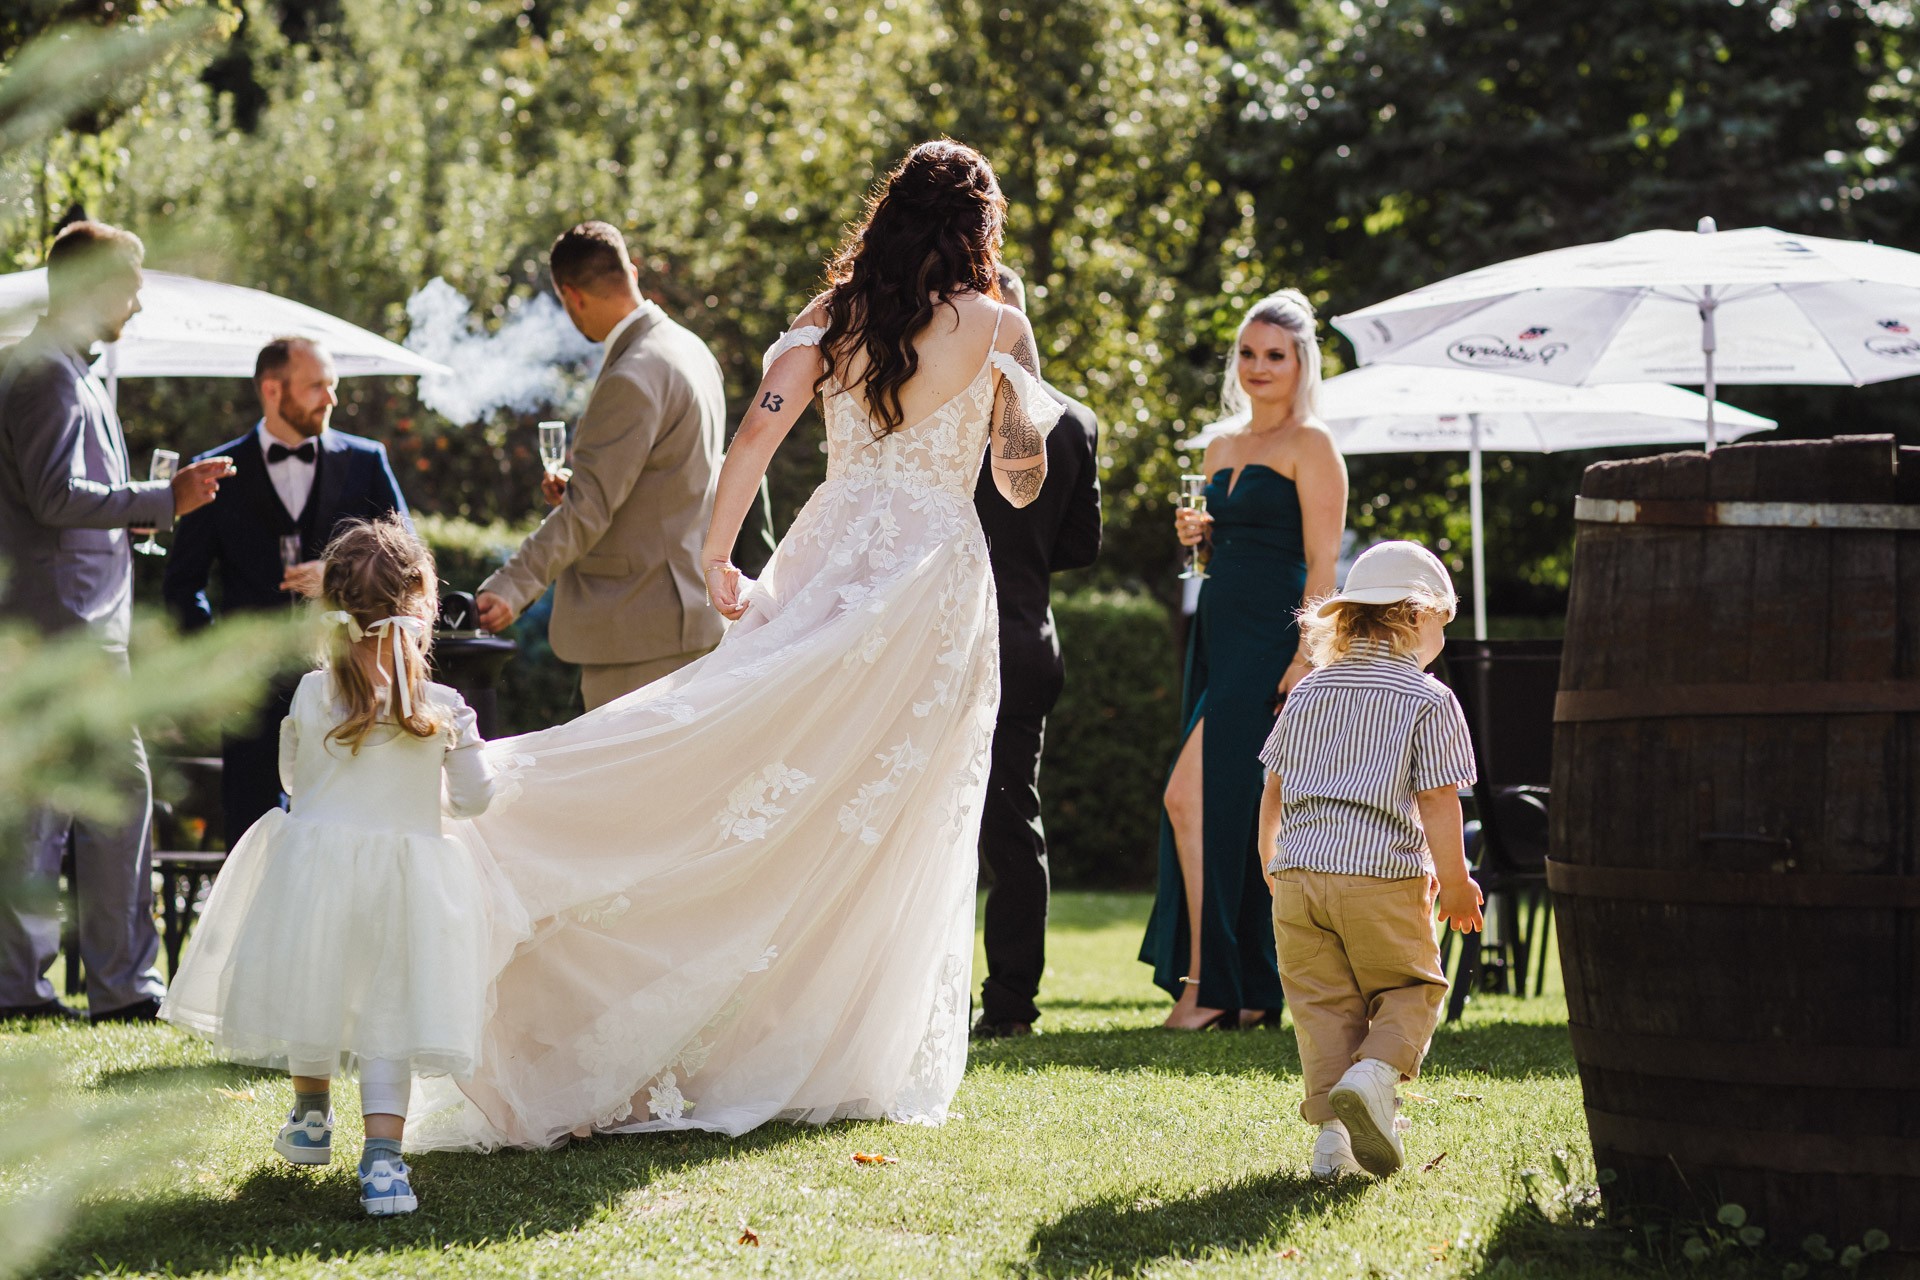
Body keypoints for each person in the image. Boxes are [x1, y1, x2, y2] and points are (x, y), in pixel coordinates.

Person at [406, 140, 1058, 1152]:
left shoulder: (831, 320)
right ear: (979, 226)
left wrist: (717, 557)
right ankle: (844, 1053)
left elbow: (752, 442)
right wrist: (1021, 393)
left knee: (761, 751)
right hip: (935, 577)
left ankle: (745, 1011)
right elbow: (1021, 479)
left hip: (834, 549)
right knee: (897, 815)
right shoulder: (1001, 324)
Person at [162, 516, 508, 1216]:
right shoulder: (444, 709)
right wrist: (461, 750)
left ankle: (312, 1114)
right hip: (407, 883)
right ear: (422, 611)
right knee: (390, 1015)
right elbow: (473, 802)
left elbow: (293, 776)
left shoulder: (311, 695)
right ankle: (383, 1161)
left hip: (316, 868)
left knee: (311, 984)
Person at [0, 220, 231, 1024]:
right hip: (59, 630)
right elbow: (55, 497)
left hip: (79, 627)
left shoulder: (71, 371)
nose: (137, 300)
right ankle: (64, 988)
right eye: (130, 283)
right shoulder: (45, 376)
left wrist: (133, 515)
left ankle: (110, 986)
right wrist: (167, 499)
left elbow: (62, 500)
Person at [1140, 289, 1348, 1030]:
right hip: (1217, 636)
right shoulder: (1220, 446)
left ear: (1300, 365)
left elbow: (1325, 563)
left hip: (1270, 641)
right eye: (1249, 354)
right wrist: (1197, 536)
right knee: (1218, 808)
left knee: (1190, 799)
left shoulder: (1313, 445)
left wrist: (1305, 658)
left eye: (1275, 356)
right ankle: (1246, 989)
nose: (1259, 368)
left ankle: (1212, 985)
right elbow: (1208, 558)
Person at [1254, 540, 1483, 1179]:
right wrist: (1459, 882)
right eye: (1443, 619)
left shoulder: (1307, 691)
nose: (1443, 633)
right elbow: (1438, 803)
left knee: (1324, 1010)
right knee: (1410, 989)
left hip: (1298, 876)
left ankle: (1334, 1146)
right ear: (1413, 616)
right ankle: (1376, 1076)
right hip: (1380, 875)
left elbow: (1272, 788)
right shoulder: (1428, 698)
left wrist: (1273, 863)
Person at [474, 222, 731, 710]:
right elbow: (675, 475)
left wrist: (512, 585)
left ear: (571, 296)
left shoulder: (631, 376)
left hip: (642, 630)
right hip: (694, 610)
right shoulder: (690, 349)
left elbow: (587, 512)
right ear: (630, 271)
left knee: (631, 786)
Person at [164, 336, 412, 844]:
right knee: (251, 839)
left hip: (354, 685)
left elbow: (408, 560)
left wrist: (339, 574)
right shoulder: (215, 473)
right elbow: (182, 584)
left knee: (349, 832)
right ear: (272, 390)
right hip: (249, 696)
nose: (331, 399)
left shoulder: (366, 461)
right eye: (317, 386)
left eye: (332, 385)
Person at [970, 264, 1101, 1040]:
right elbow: (1081, 546)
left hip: (952, 637)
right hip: (1026, 637)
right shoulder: (1074, 419)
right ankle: (1011, 1006)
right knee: (1016, 827)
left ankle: (931, 996)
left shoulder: (943, 412)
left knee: (937, 824)